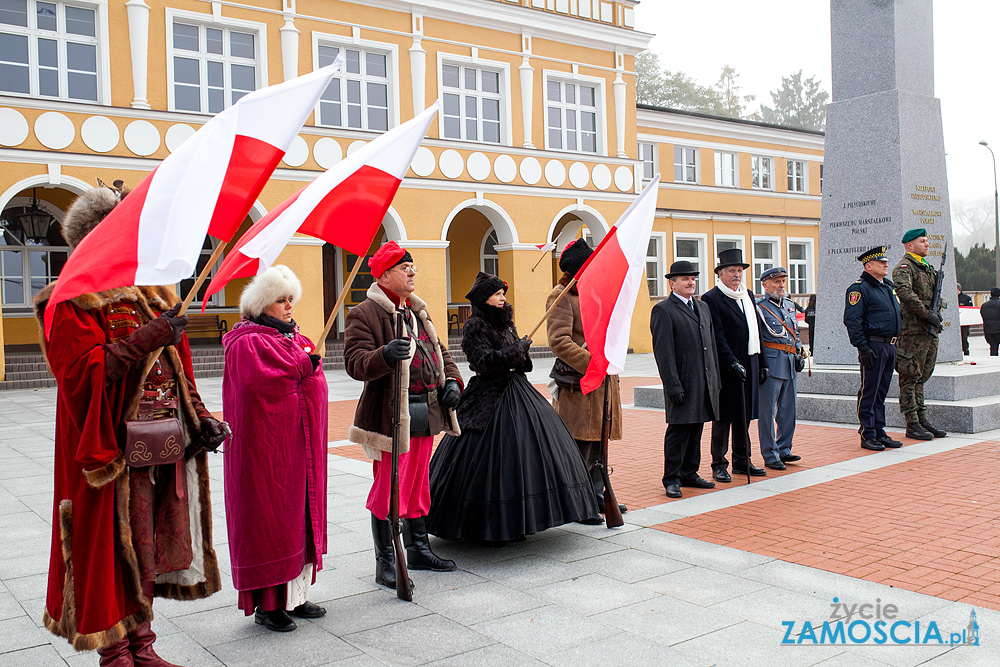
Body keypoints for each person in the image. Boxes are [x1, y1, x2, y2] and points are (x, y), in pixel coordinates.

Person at [34, 183, 226, 665]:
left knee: (146, 548)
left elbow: (178, 365)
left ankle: (143, 646)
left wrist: (201, 419)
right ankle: (114, 651)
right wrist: (146, 339)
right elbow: (81, 378)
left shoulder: (151, 295)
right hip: (109, 449)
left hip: (160, 444)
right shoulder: (69, 298)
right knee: (109, 549)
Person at [428, 273, 600, 540]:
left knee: (533, 449)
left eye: (502, 294)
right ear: (485, 297)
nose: (502, 298)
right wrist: (513, 352)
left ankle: (529, 517)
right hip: (488, 396)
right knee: (493, 456)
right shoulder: (474, 325)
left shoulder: (507, 323)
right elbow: (482, 362)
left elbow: (520, 363)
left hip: (518, 390)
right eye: (497, 294)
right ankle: (492, 524)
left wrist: (522, 353)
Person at [344, 241, 463, 590]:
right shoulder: (365, 313)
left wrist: (453, 381)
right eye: (404, 267)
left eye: (412, 266)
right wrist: (383, 355)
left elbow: (440, 351)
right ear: (384, 275)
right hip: (390, 415)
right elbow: (354, 363)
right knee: (389, 488)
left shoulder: (415, 310)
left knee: (416, 485)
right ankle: (385, 561)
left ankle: (419, 549)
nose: (412, 272)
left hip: (426, 411)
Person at [222, 265, 329, 632]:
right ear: (262, 304)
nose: (288, 306)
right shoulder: (248, 342)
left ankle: (294, 596)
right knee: (272, 520)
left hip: (300, 450)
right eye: (280, 300)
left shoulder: (291, 337)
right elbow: (257, 387)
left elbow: (302, 375)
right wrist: (302, 366)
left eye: (290, 300)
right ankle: (268, 605)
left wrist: (304, 364)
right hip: (268, 453)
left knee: (299, 518)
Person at [546, 238, 627, 513]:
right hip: (580, 385)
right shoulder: (562, 295)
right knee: (578, 448)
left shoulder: (596, 292)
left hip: (603, 383)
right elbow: (559, 341)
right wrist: (593, 364)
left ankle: (597, 496)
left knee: (599, 445)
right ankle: (578, 504)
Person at [651, 261, 721, 499]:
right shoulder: (663, 310)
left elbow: (710, 345)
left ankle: (690, 472)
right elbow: (664, 352)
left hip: (704, 381)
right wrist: (672, 385)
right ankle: (672, 478)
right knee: (678, 432)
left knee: (697, 428)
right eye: (685, 279)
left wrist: (715, 379)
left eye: (692, 278)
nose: (691, 282)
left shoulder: (702, 307)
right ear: (672, 283)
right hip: (681, 382)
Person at [701, 248, 768, 482]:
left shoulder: (747, 294)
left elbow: (756, 331)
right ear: (720, 273)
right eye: (732, 270)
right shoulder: (712, 298)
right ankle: (719, 463)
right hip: (725, 366)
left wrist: (763, 363)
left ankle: (743, 460)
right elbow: (716, 335)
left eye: (739, 270)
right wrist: (732, 362)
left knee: (745, 415)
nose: (736, 274)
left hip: (750, 360)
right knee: (724, 419)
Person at [843, 245, 903, 451]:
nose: (886, 265)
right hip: (874, 345)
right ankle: (867, 433)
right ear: (869, 266)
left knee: (882, 390)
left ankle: (879, 430)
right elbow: (853, 320)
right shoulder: (859, 289)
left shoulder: (887, 287)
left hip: (890, 345)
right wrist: (862, 347)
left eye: (886, 262)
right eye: (881, 262)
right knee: (869, 390)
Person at [892, 229, 947, 440]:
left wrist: (935, 314)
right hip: (912, 332)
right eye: (922, 241)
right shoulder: (905, 268)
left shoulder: (927, 268)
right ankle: (912, 423)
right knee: (909, 376)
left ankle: (922, 419)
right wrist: (926, 315)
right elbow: (905, 293)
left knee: (921, 377)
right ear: (909, 245)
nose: (927, 244)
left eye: (927, 240)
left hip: (927, 331)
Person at [755, 267, 804, 469]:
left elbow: (796, 333)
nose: (781, 285)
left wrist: (799, 352)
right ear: (765, 285)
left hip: (790, 363)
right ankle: (770, 453)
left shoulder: (790, 306)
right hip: (772, 364)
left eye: (783, 281)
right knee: (767, 413)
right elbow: (757, 339)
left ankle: (784, 448)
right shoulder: (759, 307)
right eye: (776, 282)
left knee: (788, 410)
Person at [982, 288, 1000, 356]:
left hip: (988, 329)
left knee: (993, 347)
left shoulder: (984, 305)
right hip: (998, 329)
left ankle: (993, 361)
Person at [958, 282, 973, 355]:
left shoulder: (966, 298)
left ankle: (966, 351)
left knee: (964, 337)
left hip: (964, 322)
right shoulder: (952, 298)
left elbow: (970, 310)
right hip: (956, 322)